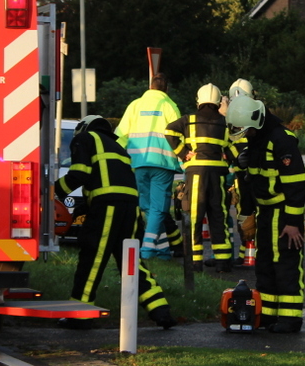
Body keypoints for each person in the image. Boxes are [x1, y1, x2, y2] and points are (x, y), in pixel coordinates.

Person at [54, 115, 177, 329]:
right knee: (131, 263)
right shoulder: (119, 148)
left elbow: (80, 174)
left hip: (109, 207)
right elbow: (104, 180)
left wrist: (51, 191)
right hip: (131, 209)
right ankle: (161, 311)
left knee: (93, 258)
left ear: (83, 128)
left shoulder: (85, 139)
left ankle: (80, 315)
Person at [226, 94, 305, 333]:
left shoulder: (282, 140)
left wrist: (292, 223)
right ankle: (269, 315)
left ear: (257, 121)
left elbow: (296, 184)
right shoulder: (257, 139)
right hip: (266, 213)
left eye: (247, 131)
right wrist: (247, 213)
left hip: (283, 214)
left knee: (286, 266)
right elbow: (252, 180)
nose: (246, 136)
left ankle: (290, 319)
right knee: (265, 266)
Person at [165, 84, 234, 272]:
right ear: (219, 101)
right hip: (218, 175)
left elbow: (169, 131)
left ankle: (195, 262)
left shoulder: (188, 120)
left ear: (199, 100)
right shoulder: (225, 122)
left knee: (194, 217)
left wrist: (183, 153)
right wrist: (229, 156)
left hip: (196, 174)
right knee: (218, 216)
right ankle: (223, 261)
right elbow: (237, 143)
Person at [115, 73, 182, 260]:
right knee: (158, 208)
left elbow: (121, 135)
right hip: (162, 163)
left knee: (147, 206)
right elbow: (178, 136)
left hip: (138, 163)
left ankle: (161, 251)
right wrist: (184, 161)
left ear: (150, 87)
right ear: (166, 89)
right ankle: (147, 249)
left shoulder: (135, 105)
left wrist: (117, 160)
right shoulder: (170, 106)